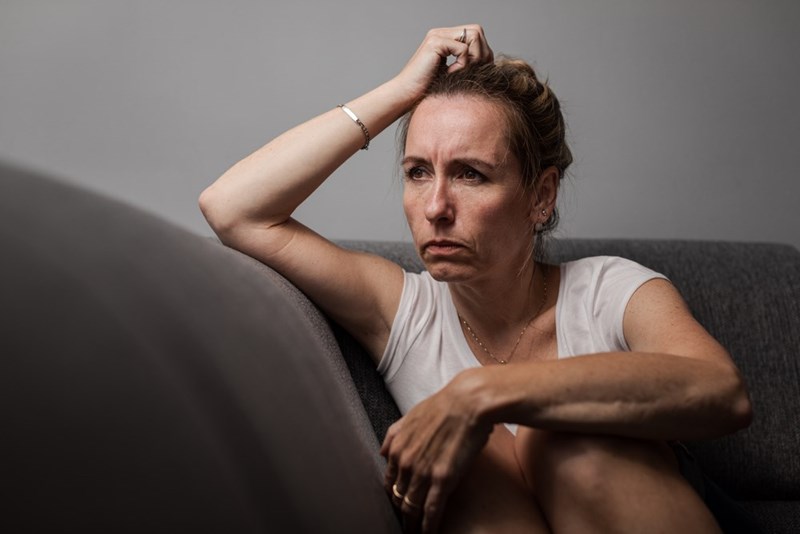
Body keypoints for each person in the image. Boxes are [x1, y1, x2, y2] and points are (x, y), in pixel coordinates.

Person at [200, 25, 753, 534]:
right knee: (475, 459)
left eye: (470, 174)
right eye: (418, 172)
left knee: (558, 436)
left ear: (541, 196)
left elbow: (723, 393)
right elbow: (234, 208)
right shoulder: (404, 310)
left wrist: (481, 393)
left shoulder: (611, 291)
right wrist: (400, 91)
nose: (436, 206)